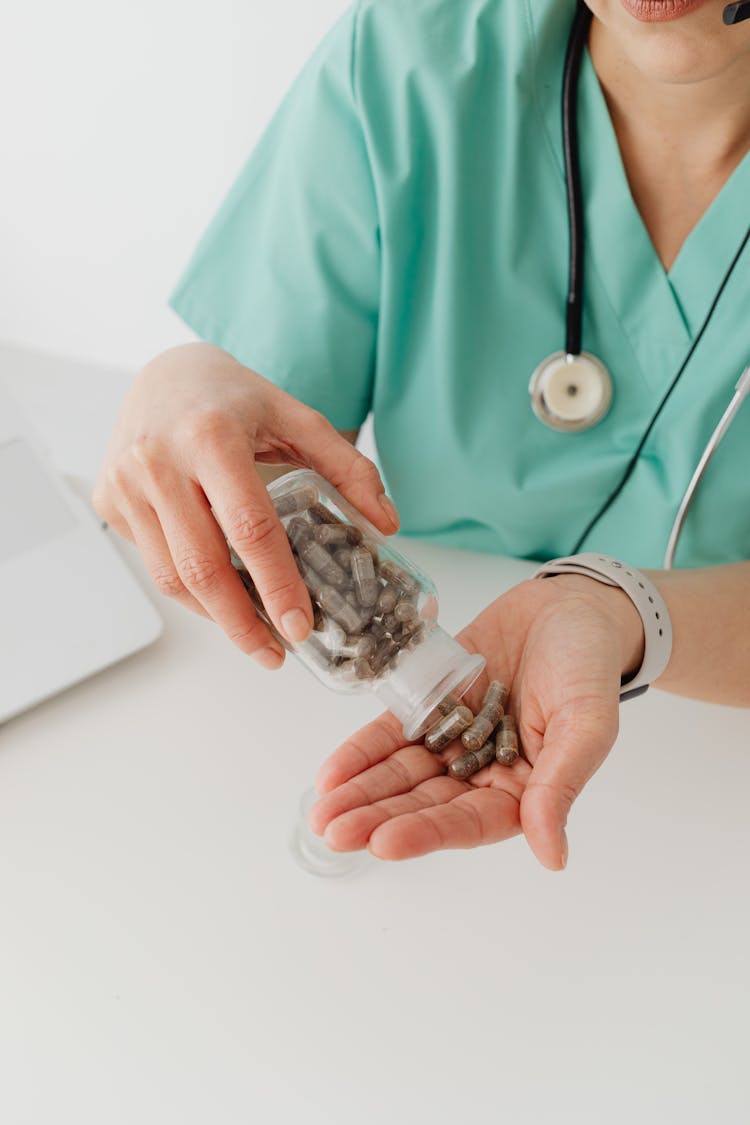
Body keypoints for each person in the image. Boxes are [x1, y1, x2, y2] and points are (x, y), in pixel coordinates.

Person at [94, 0, 750, 872]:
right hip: (409, 796)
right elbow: (262, 462)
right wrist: (179, 398)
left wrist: (625, 611)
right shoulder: (409, 61)